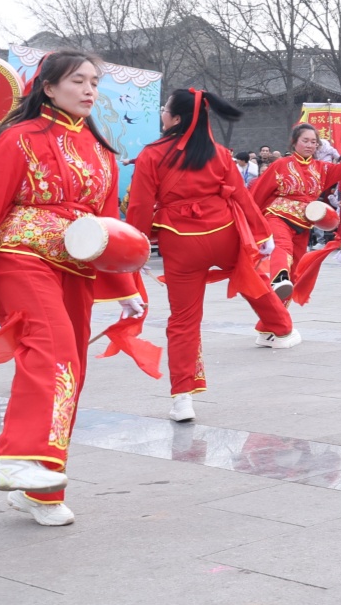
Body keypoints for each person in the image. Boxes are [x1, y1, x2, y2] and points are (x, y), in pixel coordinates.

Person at [0, 52, 145, 524]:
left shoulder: (101, 152)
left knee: (71, 370)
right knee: (54, 353)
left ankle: (43, 490)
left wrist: (127, 288)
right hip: (23, 259)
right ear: (49, 88)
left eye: (95, 81)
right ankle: (15, 456)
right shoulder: (19, 140)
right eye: (78, 80)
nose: (90, 89)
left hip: (75, 268)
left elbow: (105, 228)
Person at [124, 88, 290, 424]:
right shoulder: (219, 153)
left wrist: (135, 248)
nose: (162, 113)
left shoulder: (151, 155)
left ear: (175, 117)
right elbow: (242, 197)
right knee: (249, 276)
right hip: (224, 232)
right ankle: (281, 325)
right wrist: (263, 234)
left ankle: (182, 398)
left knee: (183, 321)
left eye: (164, 108)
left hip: (180, 242)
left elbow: (141, 207)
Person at [247, 117, 341, 338]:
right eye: (305, 140)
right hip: (278, 215)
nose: (310, 145)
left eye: (314, 142)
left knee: (296, 274)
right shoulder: (281, 165)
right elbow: (258, 193)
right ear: (294, 143)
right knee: (282, 249)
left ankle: (268, 325)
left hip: (304, 224)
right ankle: (278, 278)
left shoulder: (322, 168)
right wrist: (251, 221)